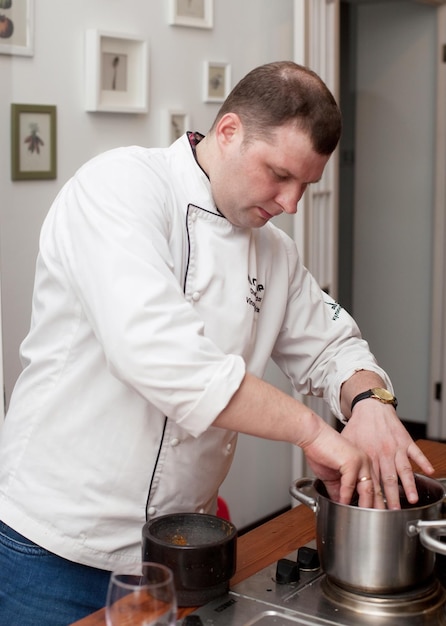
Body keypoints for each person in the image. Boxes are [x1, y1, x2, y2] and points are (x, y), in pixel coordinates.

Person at [0, 61, 434, 625]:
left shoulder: (275, 252)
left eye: (306, 184)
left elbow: (334, 348)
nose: (292, 203)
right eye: (279, 174)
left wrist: (371, 404)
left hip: (184, 550)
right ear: (228, 131)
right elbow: (164, 360)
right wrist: (312, 430)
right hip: (53, 549)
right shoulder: (120, 187)